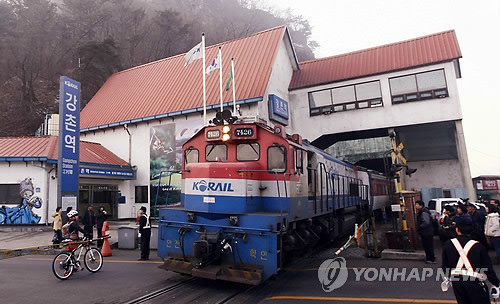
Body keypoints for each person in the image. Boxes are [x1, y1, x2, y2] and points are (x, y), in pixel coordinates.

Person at [441, 215, 500, 304]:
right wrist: (496, 283)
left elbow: (445, 265)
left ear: (457, 229)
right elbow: (488, 268)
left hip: (457, 282)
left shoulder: (448, 244)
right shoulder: (478, 246)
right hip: (475, 281)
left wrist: (448, 277)